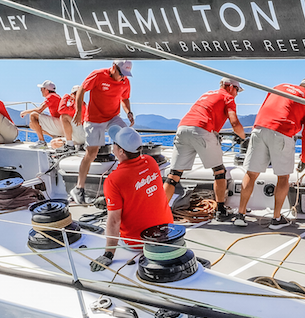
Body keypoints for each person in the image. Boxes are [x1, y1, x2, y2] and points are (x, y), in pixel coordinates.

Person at [238, 76, 305, 230]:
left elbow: (264, 108)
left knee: (251, 173)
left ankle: (240, 215)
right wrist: (304, 158)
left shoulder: (279, 86)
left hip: (259, 128)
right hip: (282, 132)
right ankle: (276, 219)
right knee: (283, 178)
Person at [90, 126, 173, 272]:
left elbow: (114, 221)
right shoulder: (151, 162)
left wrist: (109, 254)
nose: (112, 146)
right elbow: (138, 189)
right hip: (167, 232)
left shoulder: (113, 180)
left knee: (104, 227)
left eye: (114, 143)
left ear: (121, 151)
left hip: (137, 243)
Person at [163, 78, 247, 223]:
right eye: (237, 90)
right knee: (219, 171)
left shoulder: (207, 94)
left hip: (183, 128)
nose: (237, 94)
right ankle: (220, 211)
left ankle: (160, 212)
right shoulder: (228, 97)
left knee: (174, 175)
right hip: (201, 130)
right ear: (231, 87)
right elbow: (234, 123)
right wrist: (243, 137)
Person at [71, 60, 135, 203]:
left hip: (113, 117)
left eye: (125, 75)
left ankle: (128, 182)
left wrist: (129, 112)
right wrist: (79, 111)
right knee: (92, 153)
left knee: (128, 139)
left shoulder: (125, 82)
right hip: (94, 119)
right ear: (113, 67)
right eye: (121, 74)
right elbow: (82, 89)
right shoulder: (98, 75)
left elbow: (124, 98)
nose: (122, 78)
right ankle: (78, 188)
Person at [26, 80, 66, 148]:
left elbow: (39, 110)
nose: (41, 91)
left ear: (46, 90)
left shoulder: (51, 96)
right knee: (32, 125)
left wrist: (25, 112)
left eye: (41, 89)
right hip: (62, 125)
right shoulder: (55, 96)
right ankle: (54, 136)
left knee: (33, 115)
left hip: (60, 125)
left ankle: (41, 142)